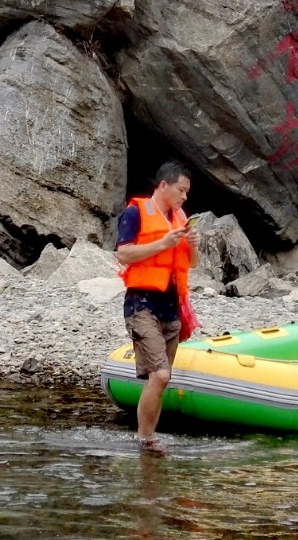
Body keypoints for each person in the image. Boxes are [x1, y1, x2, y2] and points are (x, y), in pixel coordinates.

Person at [114, 161, 197, 451]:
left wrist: (193, 244)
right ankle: (145, 439)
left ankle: (148, 438)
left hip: (171, 307)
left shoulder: (180, 218)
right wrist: (162, 244)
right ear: (164, 186)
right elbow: (123, 253)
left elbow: (191, 263)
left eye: (187, 192)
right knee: (160, 374)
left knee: (161, 378)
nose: (185, 197)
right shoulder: (136, 212)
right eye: (181, 190)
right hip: (142, 304)